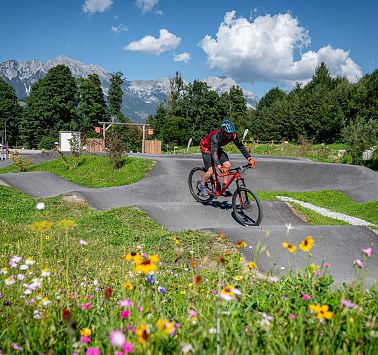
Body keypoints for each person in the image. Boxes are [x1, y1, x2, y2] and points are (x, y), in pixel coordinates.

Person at [197, 119, 255, 196]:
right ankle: (201, 185)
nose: (230, 135)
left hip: (216, 148)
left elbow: (240, 146)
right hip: (207, 148)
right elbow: (214, 153)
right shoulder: (215, 137)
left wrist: (249, 158)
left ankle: (224, 185)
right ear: (222, 131)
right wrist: (219, 166)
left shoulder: (233, 135)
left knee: (227, 165)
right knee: (211, 171)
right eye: (228, 133)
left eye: (231, 133)